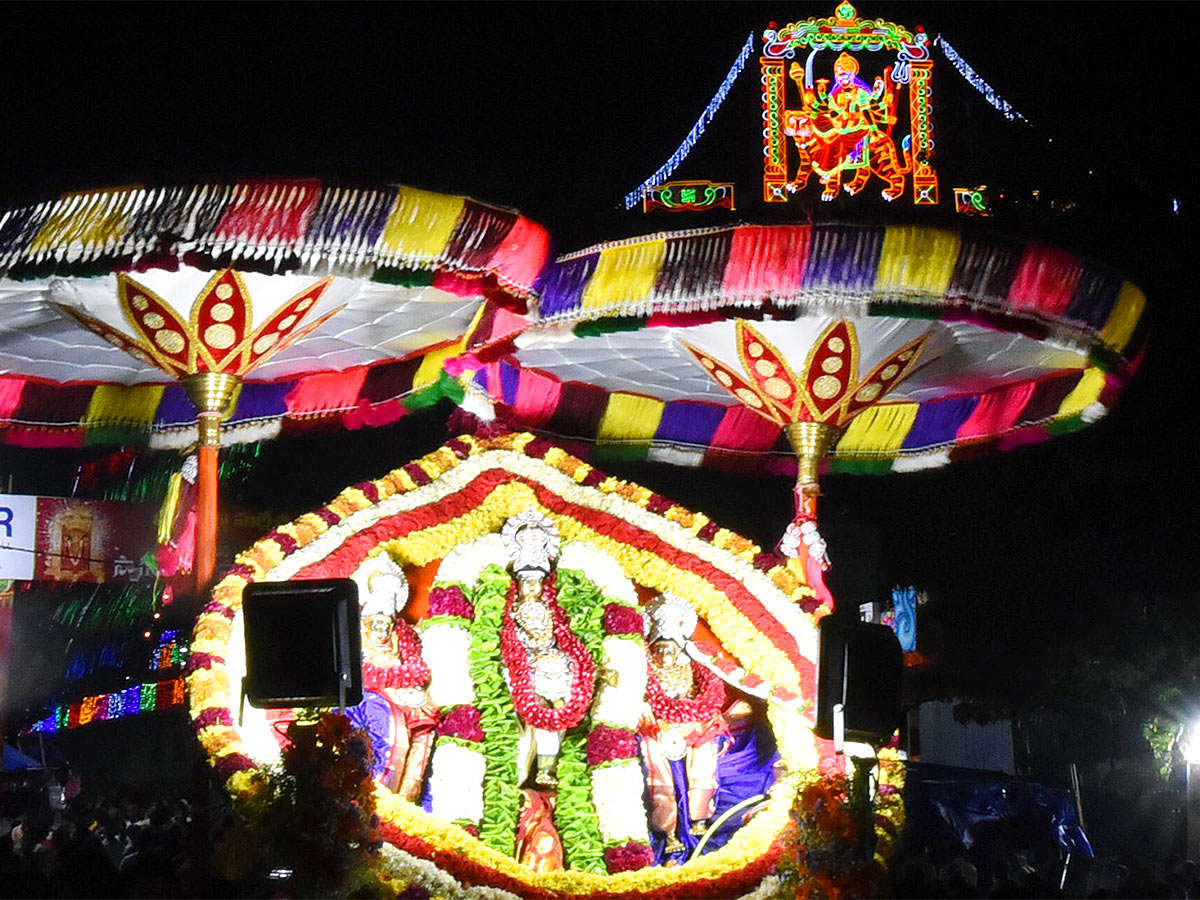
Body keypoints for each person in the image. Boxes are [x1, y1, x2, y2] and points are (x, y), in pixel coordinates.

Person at [638, 593, 729, 856]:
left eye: (671, 649)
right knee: (655, 755)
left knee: (705, 741)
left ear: (681, 649)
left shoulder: (692, 666)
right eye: (660, 649)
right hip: (657, 724)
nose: (665, 654)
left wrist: (694, 713)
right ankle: (667, 828)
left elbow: (705, 694)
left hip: (690, 720)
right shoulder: (646, 668)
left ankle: (699, 816)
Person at [344, 551, 439, 801]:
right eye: (376, 622)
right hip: (365, 697)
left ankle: (406, 799)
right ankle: (377, 799)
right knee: (386, 723)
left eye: (387, 622)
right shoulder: (353, 632)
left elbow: (416, 669)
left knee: (424, 728)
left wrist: (408, 686)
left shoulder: (403, 636)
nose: (382, 630)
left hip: (404, 693)